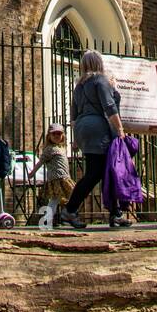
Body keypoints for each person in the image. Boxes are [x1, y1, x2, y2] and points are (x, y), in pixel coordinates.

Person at [62, 49, 127, 229]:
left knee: (106, 170)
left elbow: (73, 116)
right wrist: (120, 129)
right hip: (98, 129)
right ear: (99, 63)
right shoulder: (100, 80)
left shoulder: (79, 85)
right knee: (97, 172)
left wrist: (76, 139)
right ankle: (70, 209)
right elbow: (109, 107)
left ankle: (116, 214)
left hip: (83, 128)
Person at [29, 123, 74, 227]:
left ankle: (51, 219)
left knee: (58, 199)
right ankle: (61, 217)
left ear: (63, 135)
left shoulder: (61, 148)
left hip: (64, 177)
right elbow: (40, 162)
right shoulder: (49, 149)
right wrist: (32, 173)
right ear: (49, 136)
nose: (57, 136)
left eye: (59, 134)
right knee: (59, 198)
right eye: (54, 134)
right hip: (57, 178)